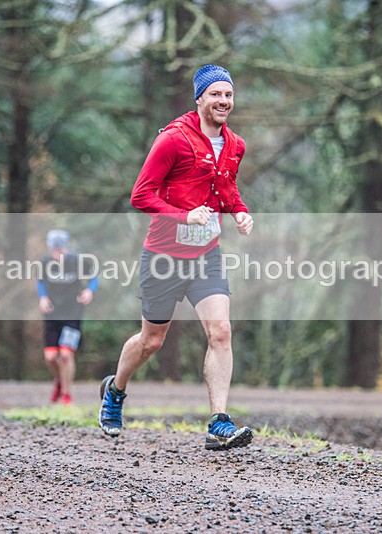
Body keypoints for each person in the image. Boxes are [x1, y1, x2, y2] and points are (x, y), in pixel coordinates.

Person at [98, 65, 255, 450]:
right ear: (199, 98)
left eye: (228, 95)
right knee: (152, 341)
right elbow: (140, 195)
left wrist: (238, 210)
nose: (223, 101)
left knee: (221, 332)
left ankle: (219, 421)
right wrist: (183, 215)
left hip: (207, 256)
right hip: (164, 256)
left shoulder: (235, 144)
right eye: (215, 94)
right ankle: (115, 390)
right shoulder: (173, 140)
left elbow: (226, 186)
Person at [37, 229, 98, 405]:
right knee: (50, 357)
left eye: (60, 250)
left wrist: (89, 290)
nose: (57, 253)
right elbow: (40, 281)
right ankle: (59, 381)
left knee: (65, 354)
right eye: (54, 250)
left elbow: (94, 277)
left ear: (66, 247)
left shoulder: (77, 261)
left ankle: (66, 394)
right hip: (52, 313)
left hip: (73, 313)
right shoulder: (45, 262)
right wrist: (43, 297)